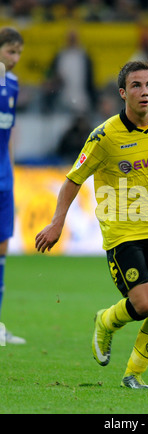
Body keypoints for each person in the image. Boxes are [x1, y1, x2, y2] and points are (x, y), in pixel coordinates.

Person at [35, 61, 148, 389]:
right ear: (123, 93)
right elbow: (72, 181)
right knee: (144, 304)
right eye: (136, 86)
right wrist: (56, 224)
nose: (145, 92)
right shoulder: (104, 136)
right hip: (122, 233)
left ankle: (134, 375)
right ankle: (106, 321)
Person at [0, 27, 26, 344]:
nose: (15, 59)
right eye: (10, 51)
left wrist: (12, 171)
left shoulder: (14, 85)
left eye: (18, 52)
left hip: (4, 177)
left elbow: (9, 135)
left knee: (3, 250)